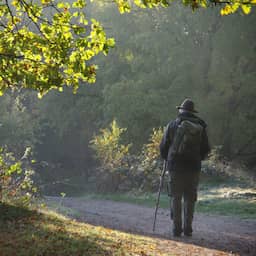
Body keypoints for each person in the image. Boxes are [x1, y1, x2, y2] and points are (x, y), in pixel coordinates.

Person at [160, 98, 210, 237]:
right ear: (192, 112)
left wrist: (167, 158)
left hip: (175, 167)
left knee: (175, 197)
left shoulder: (172, 124)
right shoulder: (201, 126)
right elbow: (206, 148)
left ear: (181, 110)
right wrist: (197, 159)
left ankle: (177, 229)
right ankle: (188, 228)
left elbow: (163, 146)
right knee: (190, 198)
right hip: (193, 167)